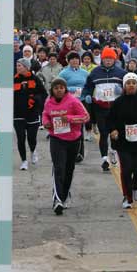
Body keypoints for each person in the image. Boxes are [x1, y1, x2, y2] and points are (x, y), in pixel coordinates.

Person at [108, 73, 137, 209]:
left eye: (134, 83)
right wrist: (113, 130)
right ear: (124, 86)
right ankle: (127, 197)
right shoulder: (118, 102)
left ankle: (135, 186)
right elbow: (110, 119)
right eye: (128, 83)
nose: (131, 85)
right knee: (126, 169)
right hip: (123, 141)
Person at [42, 77, 89, 214]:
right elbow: (45, 114)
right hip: (56, 139)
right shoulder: (49, 102)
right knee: (58, 168)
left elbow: (86, 117)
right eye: (56, 88)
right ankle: (57, 199)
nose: (59, 90)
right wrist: (46, 122)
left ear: (65, 89)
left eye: (61, 87)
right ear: (52, 90)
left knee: (69, 169)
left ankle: (64, 194)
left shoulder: (73, 101)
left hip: (73, 139)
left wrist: (69, 119)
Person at [84, 47, 126, 172]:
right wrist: (87, 95)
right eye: (106, 59)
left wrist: (122, 90)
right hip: (100, 106)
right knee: (103, 133)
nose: (108, 61)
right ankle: (104, 159)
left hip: (115, 108)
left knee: (114, 133)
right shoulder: (95, 72)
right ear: (102, 60)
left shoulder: (121, 73)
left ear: (114, 60)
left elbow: (129, 87)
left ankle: (113, 151)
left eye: (110, 59)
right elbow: (88, 86)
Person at [13, 58, 46, 171]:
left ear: (26, 67)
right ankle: (23, 160)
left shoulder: (35, 79)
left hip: (32, 113)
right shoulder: (13, 80)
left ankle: (33, 151)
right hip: (18, 114)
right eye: (17, 65)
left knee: (32, 137)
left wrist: (36, 100)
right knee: (20, 138)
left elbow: (43, 94)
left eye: (20, 65)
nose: (17, 67)